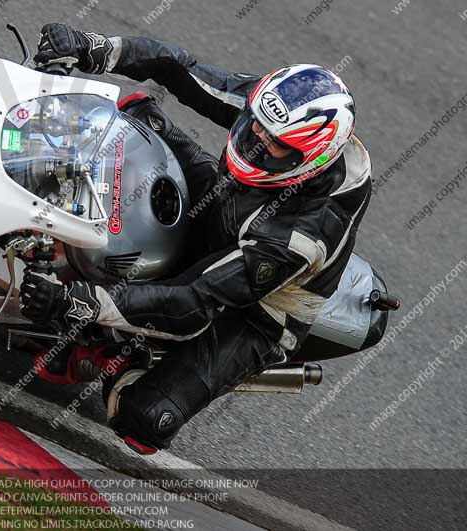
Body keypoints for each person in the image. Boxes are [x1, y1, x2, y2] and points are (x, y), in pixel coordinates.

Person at [20, 23, 371, 454]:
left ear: (310, 158)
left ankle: (122, 358)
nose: (254, 142)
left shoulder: (305, 233)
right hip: (228, 206)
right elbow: (181, 69)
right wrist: (96, 49)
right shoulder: (271, 118)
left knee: (144, 422)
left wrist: (82, 302)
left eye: (272, 144)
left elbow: (194, 296)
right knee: (137, 113)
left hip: (254, 309)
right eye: (253, 126)